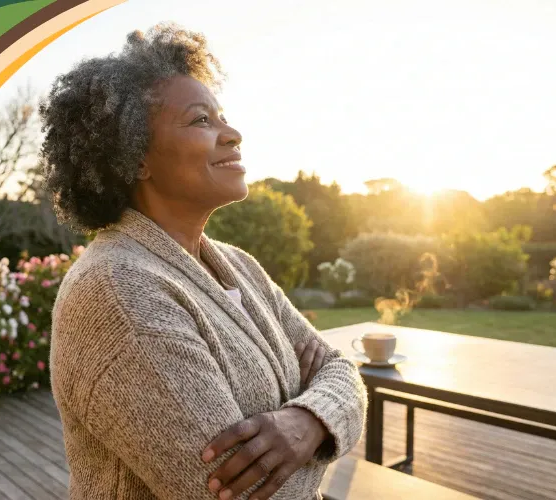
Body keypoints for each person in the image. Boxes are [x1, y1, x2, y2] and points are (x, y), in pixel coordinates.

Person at [41, 22, 367, 500]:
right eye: (201, 121)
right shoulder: (117, 290)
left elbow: (343, 370)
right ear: (135, 157)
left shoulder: (239, 266)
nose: (233, 134)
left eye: (223, 117)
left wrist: (307, 420)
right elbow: (245, 491)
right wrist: (324, 423)